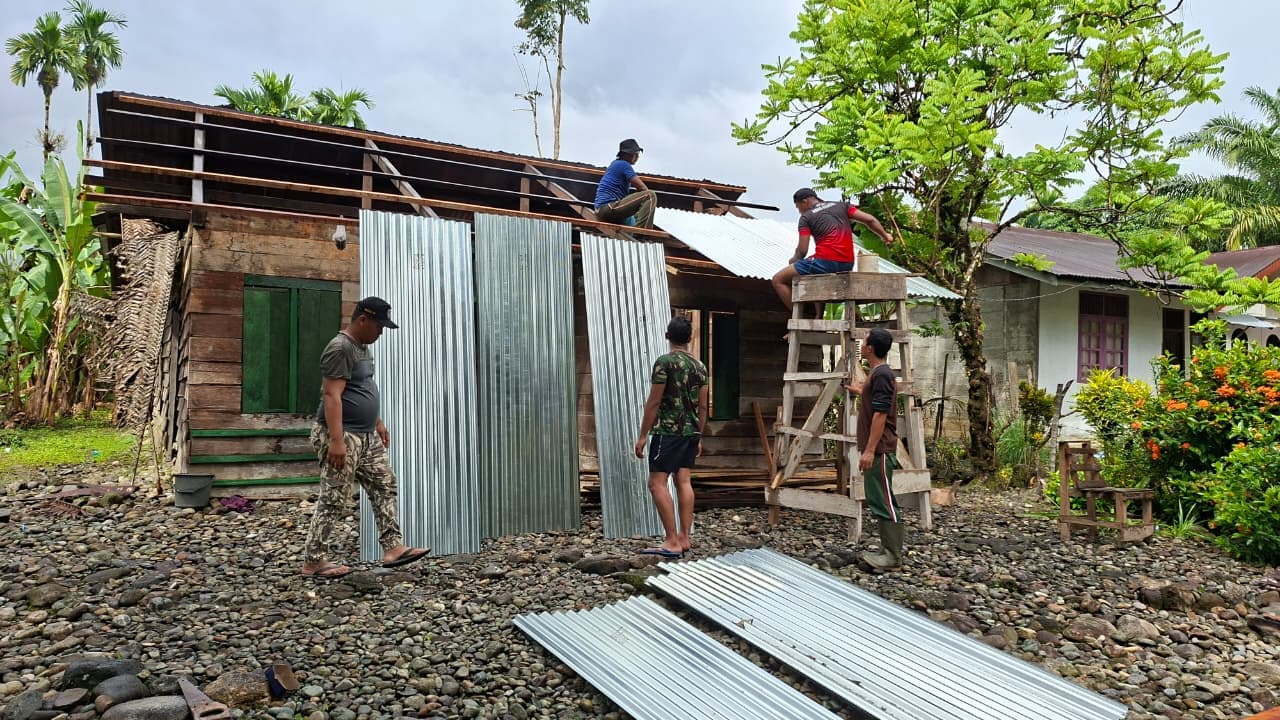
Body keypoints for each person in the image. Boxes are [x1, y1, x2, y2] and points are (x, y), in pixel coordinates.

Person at [301, 296, 430, 579]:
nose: (381, 331)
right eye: (379, 325)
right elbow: (332, 395)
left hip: (366, 433)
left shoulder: (361, 348)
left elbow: (362, 388)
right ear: (363, 320)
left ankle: (393, 548)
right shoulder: (340, 348)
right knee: (334, 497)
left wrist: (378, 422)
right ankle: (314, 561)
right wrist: (336, 441)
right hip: (342, 434)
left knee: (384, 484)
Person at [633, 315, 709, 558]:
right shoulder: (700, 367)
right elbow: (704, 407)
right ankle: (685, 539)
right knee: (683, 481)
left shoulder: (664, 363)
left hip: (667, 431)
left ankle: (671, 541)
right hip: (690, 432)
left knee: (656, 483)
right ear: (690, 338)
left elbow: (654, 401)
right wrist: (699, 435)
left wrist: (643, 435)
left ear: (668, 336)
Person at [772, 188, 896, 310]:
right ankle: (818, 316)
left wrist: (793, 260)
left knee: (778, 280)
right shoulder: (842, 206)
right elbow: (870, 219)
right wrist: (885, 235)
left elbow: (802, 250)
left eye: (798, 207)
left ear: (804, 202)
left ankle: (799, 320)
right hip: (847, 263)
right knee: (814, 274)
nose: (799, 211)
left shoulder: (806, 217)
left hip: (825, 261)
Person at [846, 328, 905, 570]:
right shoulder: (878, 373)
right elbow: (877, 401)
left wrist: (870, 450)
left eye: (863, 341)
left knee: (884, 500)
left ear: (870, 348)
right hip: (876, 448)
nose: (861, 344)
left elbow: (881, 414)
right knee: (877, 498)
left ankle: (893, 556)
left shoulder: (882, 374)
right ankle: (886, 549)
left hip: (880, 449)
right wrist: (860, 391)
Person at [594, 138, 658, 229]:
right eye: (636, 154)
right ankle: (642, 234)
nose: (637, 157)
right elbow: (642, 188)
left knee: (636, 218)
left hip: (605, 210)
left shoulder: (616, 164)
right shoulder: (623, 164)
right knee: (650, 196)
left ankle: (636, 233)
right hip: (607, 208)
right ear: (628, 154)